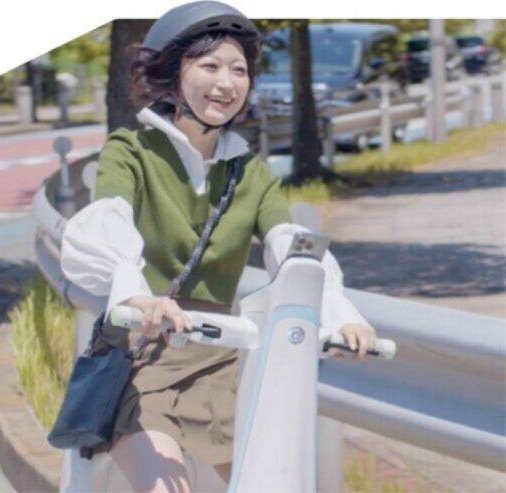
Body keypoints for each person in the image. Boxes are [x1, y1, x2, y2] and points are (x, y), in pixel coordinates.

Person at [60, 1, 377, 491]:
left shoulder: (250, 173)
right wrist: (136, 294)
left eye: (238, 70)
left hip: (219, 361)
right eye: (209, 66)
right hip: (143, 357)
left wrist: (339, 314)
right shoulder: (132, 151)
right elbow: (109, 218)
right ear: (173, 74)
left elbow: (293, 250)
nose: (226, 83)